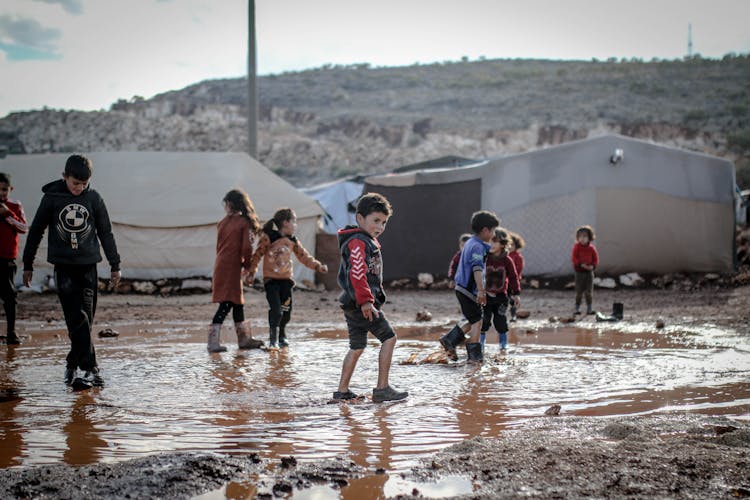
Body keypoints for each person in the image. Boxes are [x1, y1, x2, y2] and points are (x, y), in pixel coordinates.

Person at [22, 154, 121, 387]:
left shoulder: (94, 198)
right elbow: (36, 231)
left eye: (84, 184)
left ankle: (71, 364)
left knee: (85, 320)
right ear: (64, 176)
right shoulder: (52, 198)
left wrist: (115, 264)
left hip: (88, 267)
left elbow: (106, 232)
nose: (79, 188)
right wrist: (28, 264)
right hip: (64, 267)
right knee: (77, 318)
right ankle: (90, 369)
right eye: (75, 183)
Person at [333, 193, 408, 403]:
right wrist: (366, 300)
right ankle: (382, 388)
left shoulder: (364, 240)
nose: (380, 227)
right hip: (361, 304)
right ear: (360, 218)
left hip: (353, 303)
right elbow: (357, 273)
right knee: (389, 338)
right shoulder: (358, 242)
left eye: (384, 222)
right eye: (376, 221)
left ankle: (342, 392)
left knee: (357, 347)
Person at [248, 208, 327, 348]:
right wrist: (251, 272)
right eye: (294, 222)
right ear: (285, 223)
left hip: (286, 282)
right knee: (276, 310)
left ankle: (281, 335)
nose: (295, 225)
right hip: (271, 281)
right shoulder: (269, 237)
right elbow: (257, 255)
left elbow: (304, 256)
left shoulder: (293, 241)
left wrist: (317, 266)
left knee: (286, 312)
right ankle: (273, 339)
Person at [440, 210, 500, 363]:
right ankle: (474, 356)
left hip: (463, 289)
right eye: (493, 231)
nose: (493, 235)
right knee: (477, 321)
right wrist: (481, 290)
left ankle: (450, 339)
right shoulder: (476, 247)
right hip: (468, 290)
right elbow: (477, 268)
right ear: (486, 230)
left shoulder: (471, 243)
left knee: (472, 318)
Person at [208, 189, 264, 353]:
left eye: (225, 203)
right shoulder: (243, 223)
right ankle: (212, 343)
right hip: (232, 265)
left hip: (221, 263)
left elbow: (219, 246)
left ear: (230, 204)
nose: (225, 207)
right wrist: (247, 266)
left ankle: (244, 339)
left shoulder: (222, 222)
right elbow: (246, 248)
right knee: (226, 303)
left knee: (237, 302)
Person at [480, 228, 520, 352]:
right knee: (484, 320)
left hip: (501, 297)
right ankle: (480, 343)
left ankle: (503, 342)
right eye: (489, 242)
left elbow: (513, 277)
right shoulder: (484, 258)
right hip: (485, 296)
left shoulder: (507, 260)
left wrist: (516, 294)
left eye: (494, 242)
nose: (491, 245)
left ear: (503, 244)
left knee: (500, 320)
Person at [0, 173, 28, 345]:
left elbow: (24, 227)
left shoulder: (15, 206)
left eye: (4, 189)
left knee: (10, 296)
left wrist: (7, 214)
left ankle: (11, 331)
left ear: (10, 189)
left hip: (7, 259)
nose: (1, 193)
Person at [571, 225, 599, 315]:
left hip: (589, 273)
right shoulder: (576, 247)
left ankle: (589, 308)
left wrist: (592, 266)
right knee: (579, 291)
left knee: (588, 291)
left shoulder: (591, 248)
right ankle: (577, 308)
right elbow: (574, 258)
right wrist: (580, 264)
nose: (582, 239)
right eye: (580, 237)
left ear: (589, 237)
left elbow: (596, 259)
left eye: (585, 236)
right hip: (579, 272)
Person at [508, 232, 525, 322]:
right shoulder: (505, 256)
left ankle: (513, 315)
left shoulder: (518, 257)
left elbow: (519, 269)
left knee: (513, 299)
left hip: (514, 281)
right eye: (509, 244)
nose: (510, 246)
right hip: (505, 282)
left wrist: (513, 276)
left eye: (512, 245)